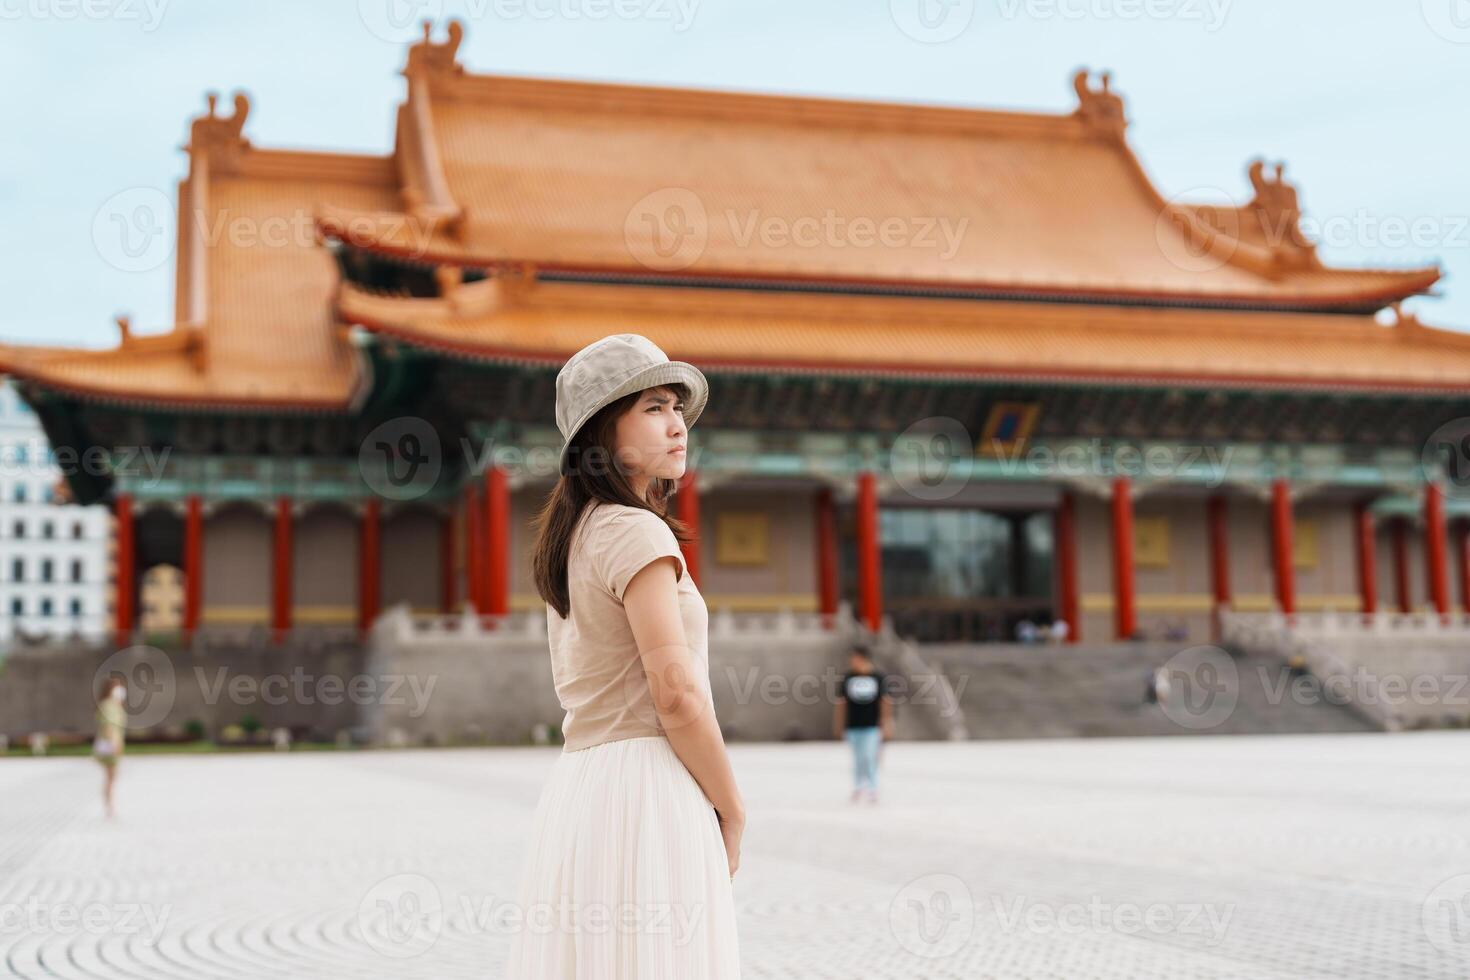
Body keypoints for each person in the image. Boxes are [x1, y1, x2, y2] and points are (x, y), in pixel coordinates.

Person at [505, 334, 743, 978]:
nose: (677, 426)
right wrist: (732, 805)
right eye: (654, 408)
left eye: (677, 408)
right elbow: (675, 692)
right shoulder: (635, 531)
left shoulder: (575, 533)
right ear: (601, 434)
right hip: (649, 788)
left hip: (583, 788)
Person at [833, 647, 894, 804]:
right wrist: (839, 724)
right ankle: (858, 786)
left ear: (863, 658)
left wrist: (886, 723)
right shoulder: (848, 678)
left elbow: (885, 701)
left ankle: (873, 787)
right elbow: (841, 703)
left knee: (869, 756)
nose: (852, 661)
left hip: (872, 725)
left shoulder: (877, 677)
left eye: (854, 658)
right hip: (853, 724)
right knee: (858, 758)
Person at [93, 675, 127, 818]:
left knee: (111, 777)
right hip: (110, 746)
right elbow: (109, 727)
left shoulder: (112, 705)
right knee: (110, 777)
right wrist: (114, 744)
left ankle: (110, 806)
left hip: (111, 744)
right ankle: (109, 807)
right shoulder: (109, 705)